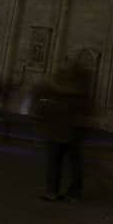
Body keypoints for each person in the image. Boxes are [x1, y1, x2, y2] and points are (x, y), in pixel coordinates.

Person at [33, 65, 90, 202]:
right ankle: (72, 193)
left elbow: (44, 108)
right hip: (70, 133)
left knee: (56, 163)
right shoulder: (79, 94)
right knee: (72, 165)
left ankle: (53, 192)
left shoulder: (56, 92)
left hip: (60, 132)